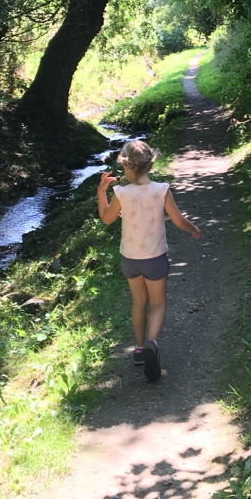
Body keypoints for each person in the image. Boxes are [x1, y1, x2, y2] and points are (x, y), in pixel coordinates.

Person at [97, 139, 201, 381]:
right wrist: (194, 228)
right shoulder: (161, 190)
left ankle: (140, 349)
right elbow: (178, 220)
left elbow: (106, 218)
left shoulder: (121, 193)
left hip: (130, 259)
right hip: (154, 258)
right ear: (150, 166)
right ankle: (152, 342)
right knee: (158, 303)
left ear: (126, 166)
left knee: (138, 302)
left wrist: (101, 192)